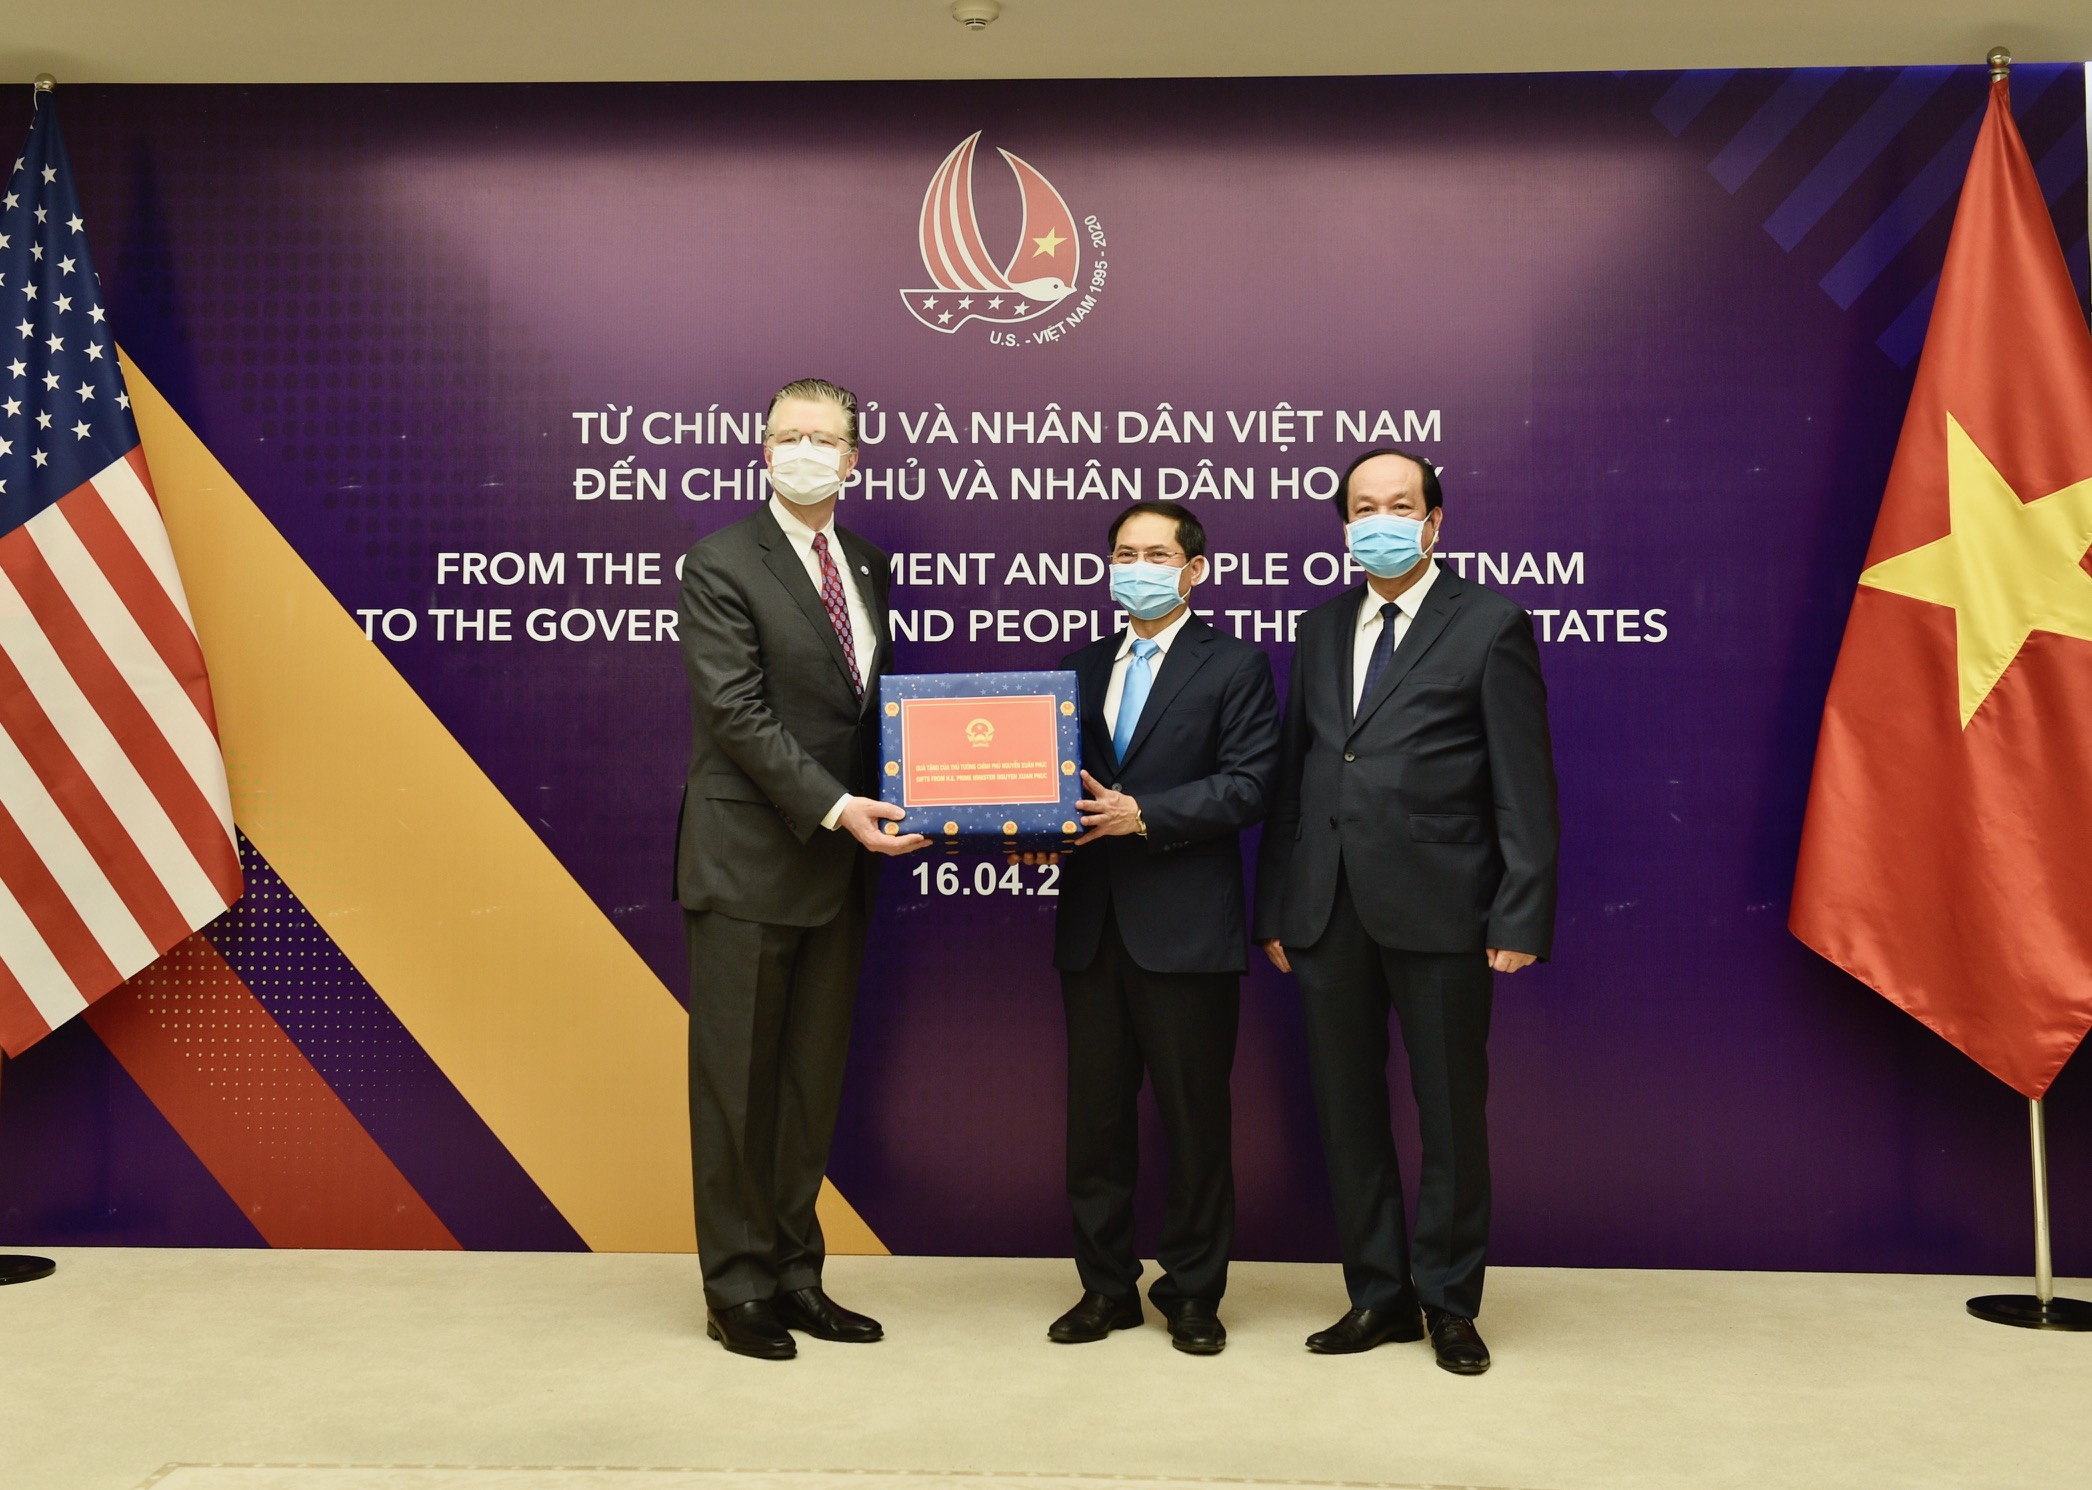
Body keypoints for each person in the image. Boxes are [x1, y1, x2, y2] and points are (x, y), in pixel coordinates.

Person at [1253, 449, 1558, 1375]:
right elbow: (1300, 775)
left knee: (1450, 1116)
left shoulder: (1490, 623)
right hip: (1326, 910)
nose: (1378, 520)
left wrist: (1519, 913)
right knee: (1347, 1114)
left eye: (1398, 505)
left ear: (1434, 522)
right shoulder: (1319, 627)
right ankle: (1378, 1297)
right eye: (1362, 507)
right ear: (1344, 525)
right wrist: (1278, 904)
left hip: (1444, 909)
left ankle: (1450, 1303)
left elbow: (1523, 783)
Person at [674, 377, 926, 1360]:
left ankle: (795, 1275)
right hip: (749, 859)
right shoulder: (721, 561)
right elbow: (735, 711)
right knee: (737, 1086)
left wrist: (921, 795)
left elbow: (864, 710)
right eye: (790, 435)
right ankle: (735, 1286)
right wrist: (835, 806)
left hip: (840, 868)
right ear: (764, 449)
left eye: (824, 438)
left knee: (808, 1085)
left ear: (853, 459)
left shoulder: (864, 562)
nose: (806, 450)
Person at [1041, 502, 1279, 1354]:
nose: (1136, 568)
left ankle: (1192, 1293)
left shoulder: (1236, 664)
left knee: (1194, 1123)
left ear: (1194, 570)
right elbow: (1051, 785)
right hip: (1093, 929)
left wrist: (1143, 813)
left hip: (1186, 931)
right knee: (1095, 1126)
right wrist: (1031, 829)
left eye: (1156, 554)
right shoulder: (1077, 665)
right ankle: (1104, 1288)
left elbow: (1251, 784)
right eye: (1124, 554)